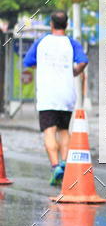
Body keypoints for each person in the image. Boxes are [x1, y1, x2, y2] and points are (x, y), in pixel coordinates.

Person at [23, 10, 88, 185]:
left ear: (51, 24)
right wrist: (75, 71)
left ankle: (55, 167)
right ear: (66, 25)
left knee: (49, 130)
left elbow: (28, 62)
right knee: (64, 131)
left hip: (47, 94)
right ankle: (65, 164)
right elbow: (83, 61)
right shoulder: (72, 43)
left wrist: (43, 66)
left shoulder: (41, 42)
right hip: (66, 94)